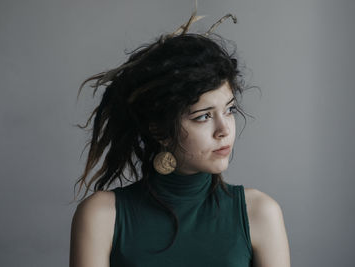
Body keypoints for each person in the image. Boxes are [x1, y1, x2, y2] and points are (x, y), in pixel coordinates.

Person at [69, 8, 290, 267]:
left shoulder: (260, 213)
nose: (224, 129)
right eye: (203, 116)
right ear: (159, 130)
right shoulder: (101, 216)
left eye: (229, 110)